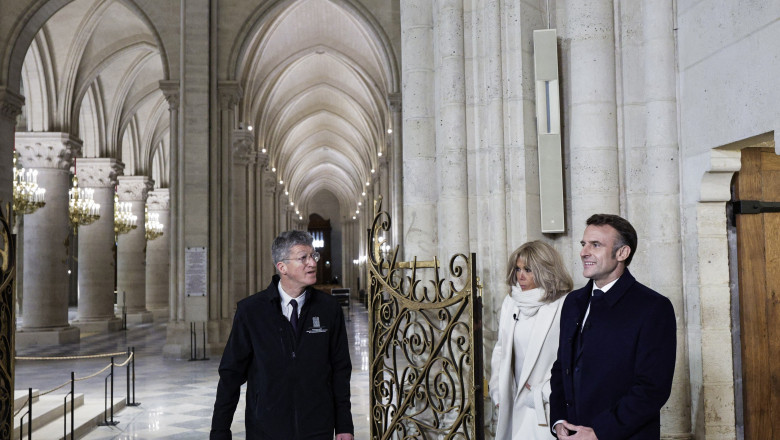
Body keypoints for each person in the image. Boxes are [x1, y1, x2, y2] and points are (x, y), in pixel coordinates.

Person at [210, 230, 354, 440]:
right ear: (282, 267)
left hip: (318, 428)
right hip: (266, 429)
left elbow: (341, 370)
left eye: (313, 256)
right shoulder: (251, 311)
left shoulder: (329, 308)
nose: (313, 263)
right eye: (303, 257)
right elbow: (230, 376)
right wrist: (219, 431)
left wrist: (344, 424)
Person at [549, 214, 677, 439]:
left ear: (622, 253)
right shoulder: (573, 302)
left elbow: (652, 388)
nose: (584, 252)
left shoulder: (653, 307)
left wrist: (599, 432)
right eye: (583, 244)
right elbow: (562, 368)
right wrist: (559, 421)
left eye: (595, 245)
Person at [490, 240, 573, 439]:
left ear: (545, 269)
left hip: (546, 404)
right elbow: (500, 349)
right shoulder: (512, 301)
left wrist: (546, 390)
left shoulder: (565, 303)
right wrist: (497, 391)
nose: (521, 276)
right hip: (513, 400)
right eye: (518, 269)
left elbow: (575, 357)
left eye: (528, 269)